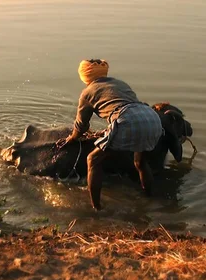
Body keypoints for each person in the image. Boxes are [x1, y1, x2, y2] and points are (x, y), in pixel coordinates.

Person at [57, 59, 163, 211]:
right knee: (140, 162)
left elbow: (81, 125)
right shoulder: (120, 83)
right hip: (151, 117)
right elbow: (123, 104)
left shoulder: (87, 93)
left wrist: (72, 138)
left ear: (85, 76)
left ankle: (96, 208)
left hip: (127, 119)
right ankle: (150, 199)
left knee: (93, 159)